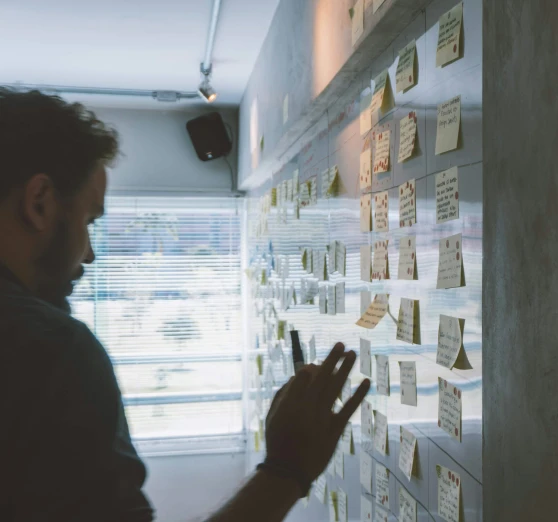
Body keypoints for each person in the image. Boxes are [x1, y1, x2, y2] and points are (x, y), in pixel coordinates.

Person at [0, 88, 371, 521]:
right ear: (39, 202)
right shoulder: (50, 349)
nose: (89, 255)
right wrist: (288, 470)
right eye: (89, 220)